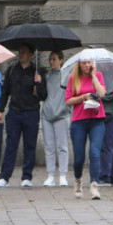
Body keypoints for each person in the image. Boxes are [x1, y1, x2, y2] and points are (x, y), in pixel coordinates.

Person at [0, 43, 47, 188]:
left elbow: (43, 96)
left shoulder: (37, 71)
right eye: (19, 52)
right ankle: (4, 177)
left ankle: (26, 177)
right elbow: (5, 92)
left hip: (31, 112)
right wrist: (0, 110)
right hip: (14, 113)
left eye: (24, 52)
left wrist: (39, 83)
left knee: (30, 145)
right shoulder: (12, 70)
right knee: (11, 145)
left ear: (31, 54)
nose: (21, 54)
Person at [65, 53, 107, 199]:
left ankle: (94, 185)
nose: (87, 65)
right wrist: (83, 97)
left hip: (97, 119)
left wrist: (94, 76)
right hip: (79, 121)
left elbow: (102, 94)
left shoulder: (98, 76)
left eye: (89, 62)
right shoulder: (73, 78)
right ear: (79, 64)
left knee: (95, 152)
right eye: (84, 63)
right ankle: (78, 180)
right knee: (79, 157)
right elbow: (68, 100)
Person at [41, 51, 70, 187]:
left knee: (62, 146)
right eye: (50, 59)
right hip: (47, 113)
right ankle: (50, 175)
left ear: (61, 60)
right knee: (49, 147)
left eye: (54, 59)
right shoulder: (46, 76)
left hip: (61, 114)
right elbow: (42, 93)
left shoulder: (67, 76)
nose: (51, 62)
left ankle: (63, 174)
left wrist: (65, 109)